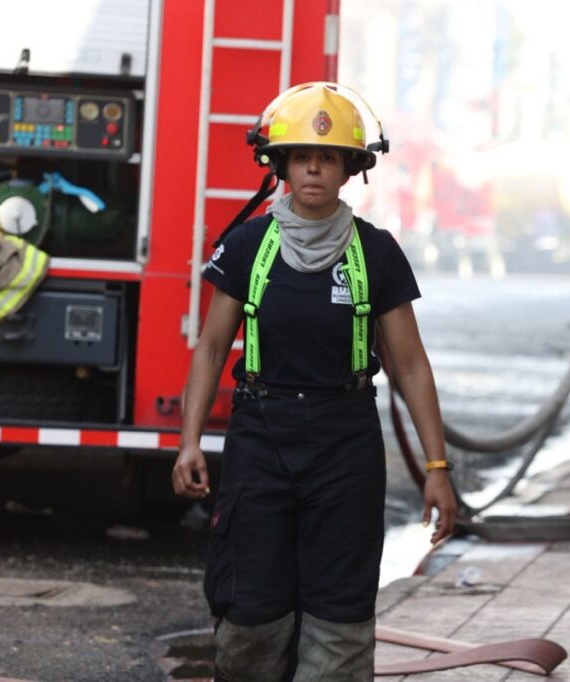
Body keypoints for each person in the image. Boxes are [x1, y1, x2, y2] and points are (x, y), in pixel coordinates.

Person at [171, 82, 457, 681]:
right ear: (280, 164)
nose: (314, 169)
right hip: (260, 437)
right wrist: (190, 442)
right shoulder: (247, 246)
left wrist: (436, 470)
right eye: (302, 157)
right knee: (250, 613)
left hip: (345, 444)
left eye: (328, 158)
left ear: (350, 168)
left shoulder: (376, 254)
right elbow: (212, 348)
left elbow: (409, 364)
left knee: (340, 618)